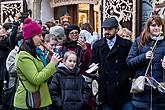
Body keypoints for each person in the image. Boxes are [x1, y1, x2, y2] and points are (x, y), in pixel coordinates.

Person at [13, 18, 62, 109]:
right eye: (39, 36)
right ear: (31, 37)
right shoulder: (23, 56)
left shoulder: (35, 52)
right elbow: (36, 79)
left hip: (39, 99)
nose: (42, 38)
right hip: (27, 102)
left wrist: (48, 59)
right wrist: (52, 64)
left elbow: (42, 71)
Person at [90, 17, 133, 110]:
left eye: (110, 29)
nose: (107, 31)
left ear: (117, 29)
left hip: (123, 90)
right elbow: (93, 62)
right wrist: (93, 68)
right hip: (106, 91)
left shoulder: (127, 44)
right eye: (105, 29)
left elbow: (131, 64)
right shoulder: (98, 45)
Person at [127, 15, 165, 110]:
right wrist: (143, 56)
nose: (156, 28)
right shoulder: (139, 41)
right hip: (142, 93)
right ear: (148, 27)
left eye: (159, 25)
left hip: (160, 94)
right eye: (153, 25)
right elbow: (129, 62)